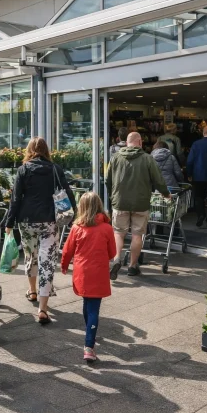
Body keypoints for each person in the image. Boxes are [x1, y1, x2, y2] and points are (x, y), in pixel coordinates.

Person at [5, 137, 76, 324]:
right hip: (50, 221)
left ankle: (33, 291)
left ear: (29, 150)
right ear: (46, 151)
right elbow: (68, 192)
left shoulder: (23, 170)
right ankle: (43, 309)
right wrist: (74, 215)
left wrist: (9, 222)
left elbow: (15, 199)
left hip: (27, 221)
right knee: (47, 262)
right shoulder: (55, 169)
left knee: (31, 256)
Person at [105, 132, 170, 279]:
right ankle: (133, 266)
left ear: (126, 142)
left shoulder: (115, 158)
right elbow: (158, 180)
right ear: (140, 142)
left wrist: (113, 196)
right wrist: (166, 194)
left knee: (118, 232)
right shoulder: (147, 159)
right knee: (137, 234)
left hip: (120, 201)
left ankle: (116, 260)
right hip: (141, 203)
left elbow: (107, 180)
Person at [60, 192, 116, 362]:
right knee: (94, 308)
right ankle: (89, 346)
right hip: (98, 272)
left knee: (86, 303)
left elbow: (67, 250)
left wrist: (64, 266)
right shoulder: (107, 228)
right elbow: (112, 252)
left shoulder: (77, 228)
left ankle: (89, 334)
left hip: (82, 272)